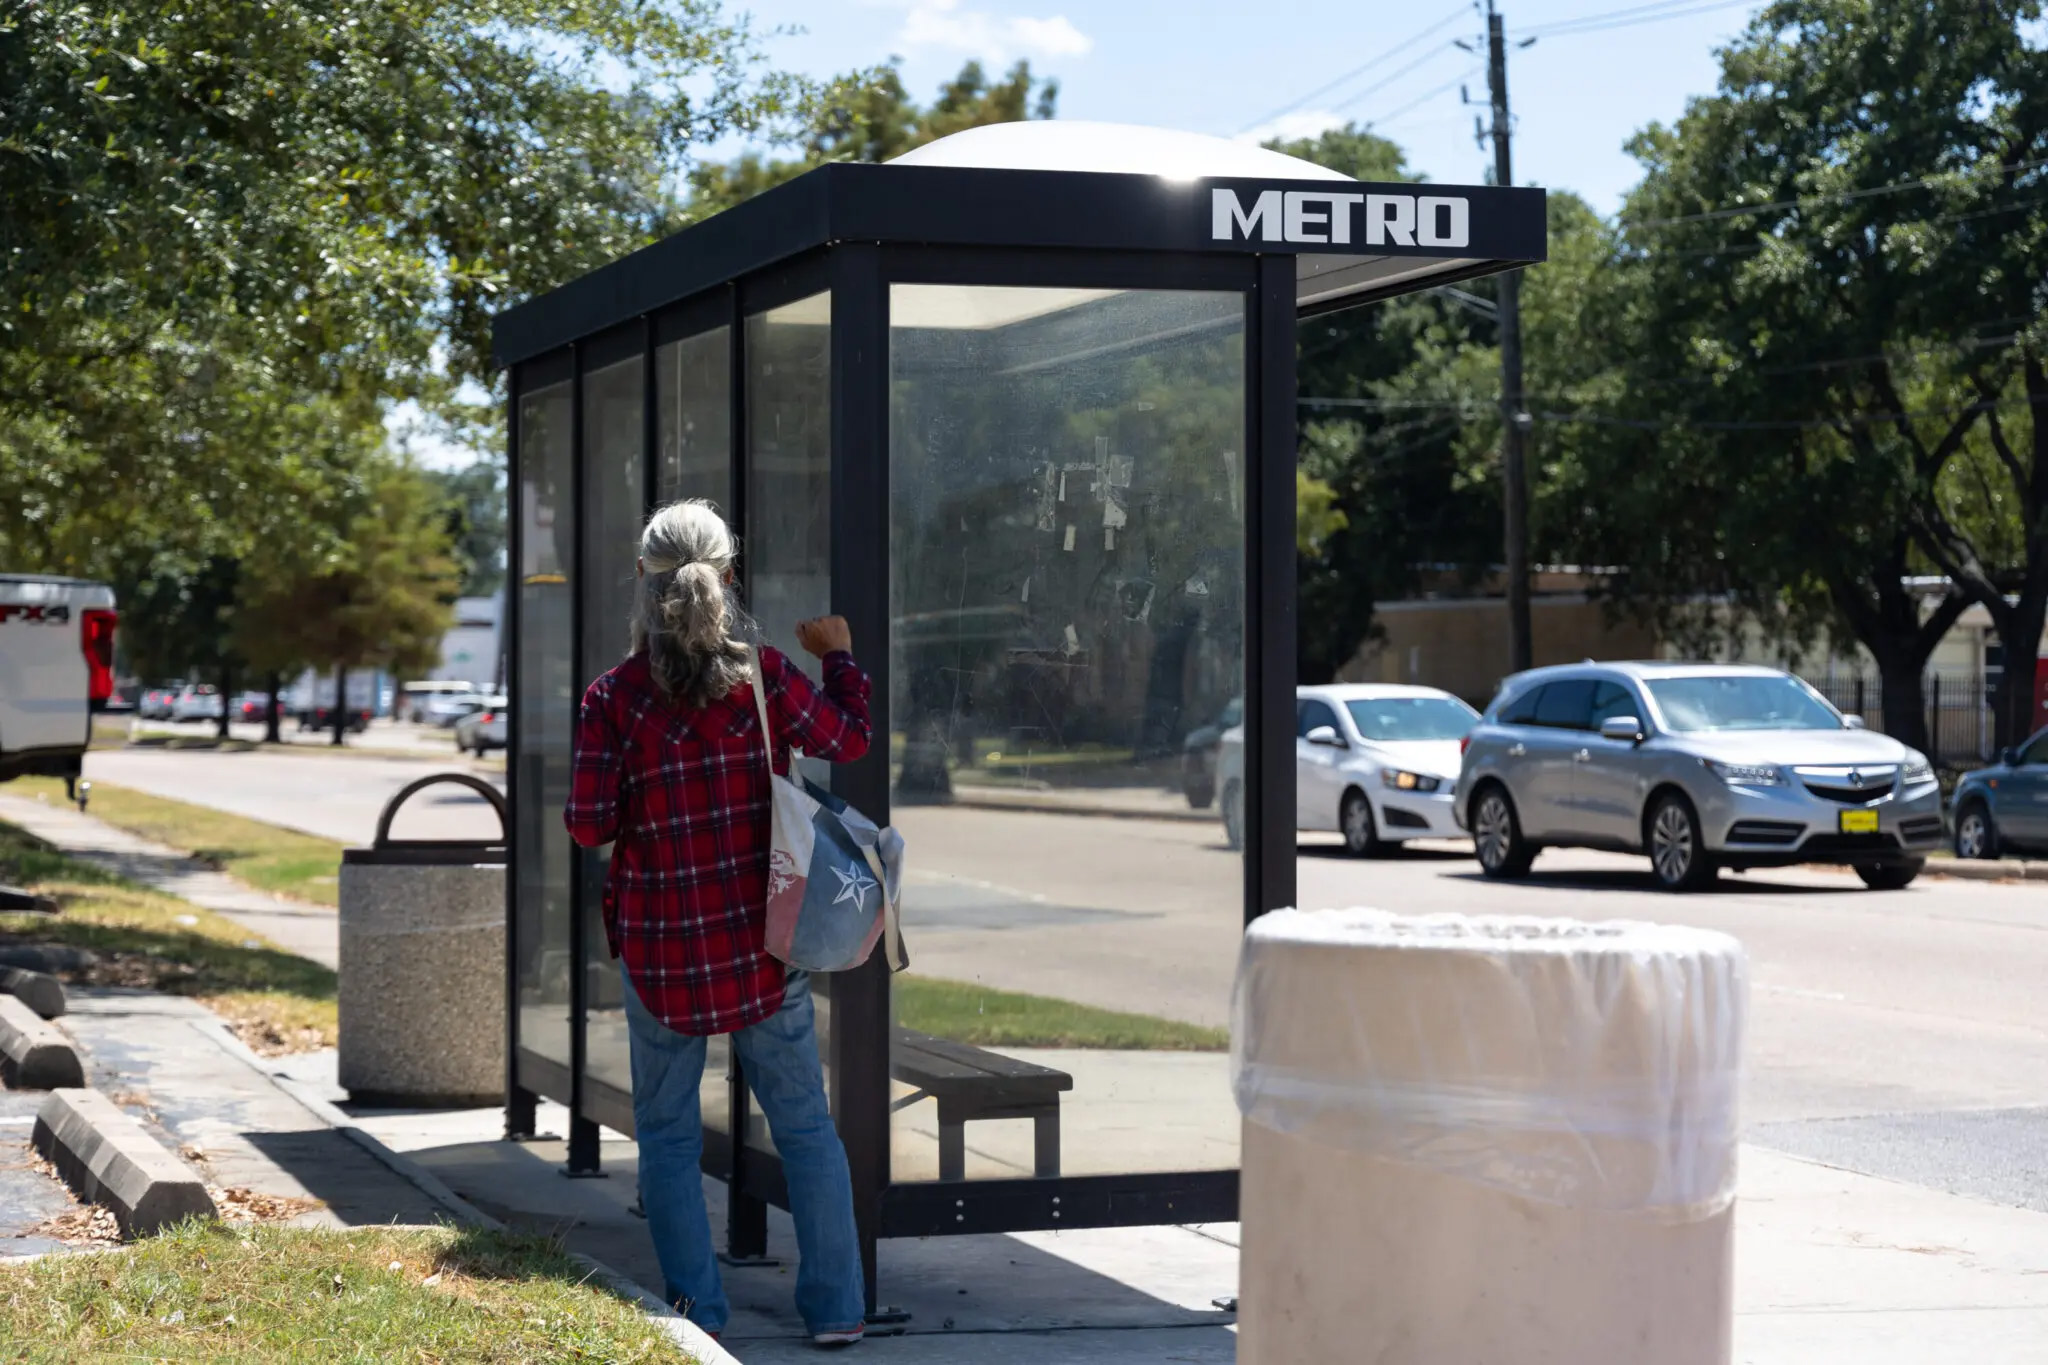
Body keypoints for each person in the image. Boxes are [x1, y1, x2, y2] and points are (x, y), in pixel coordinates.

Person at [565, 499, 870, 1347]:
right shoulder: (767, 675)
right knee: (806, 1127)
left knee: (666, 1137)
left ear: (641, 578)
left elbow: (589, 826)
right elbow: (849, 738)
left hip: (663, 954)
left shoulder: (613, 697)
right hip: (768, 951)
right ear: (729, 575)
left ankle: (697, 1316)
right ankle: (838, 1309)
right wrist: (840, 659)